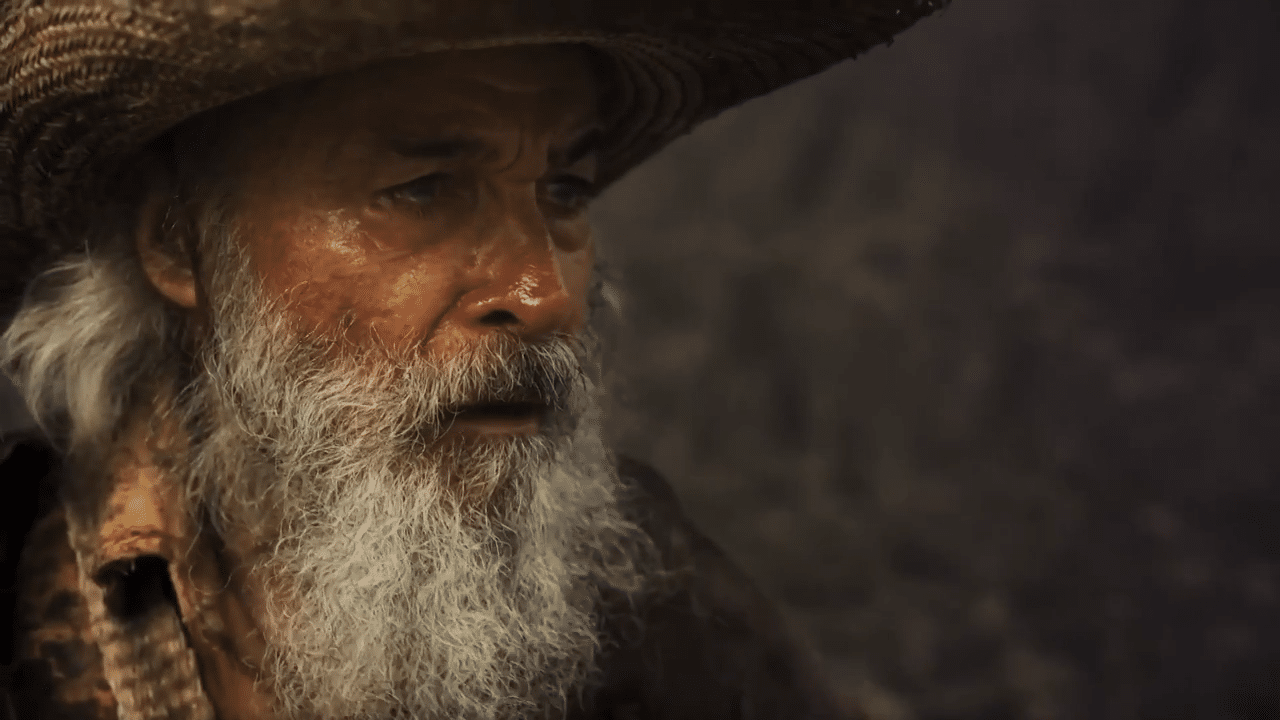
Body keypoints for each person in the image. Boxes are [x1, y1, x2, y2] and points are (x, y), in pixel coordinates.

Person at [0, 2, 947, 718]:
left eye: (563, 188)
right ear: (179, 244)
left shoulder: (653, 601)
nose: (545, 296)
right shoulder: (24, 589)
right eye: (421, 190)